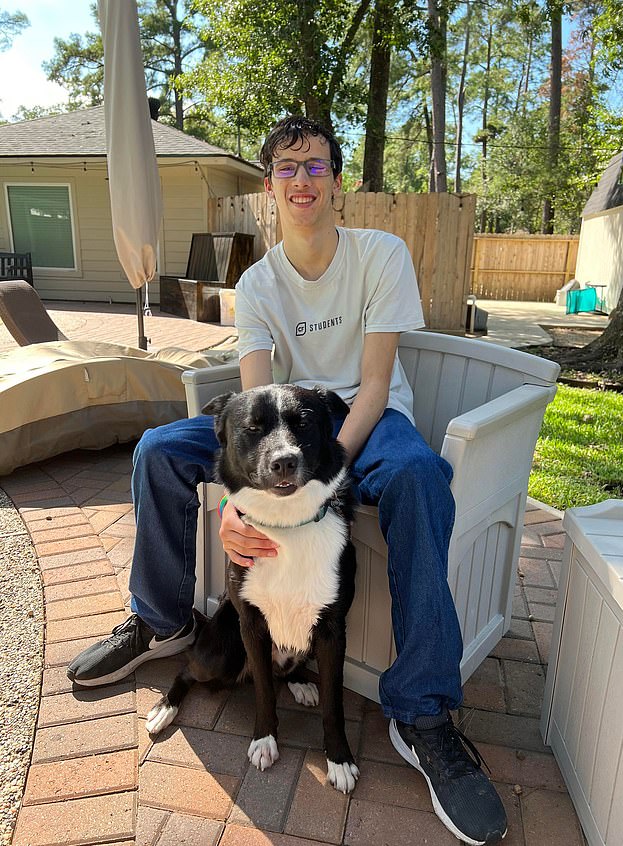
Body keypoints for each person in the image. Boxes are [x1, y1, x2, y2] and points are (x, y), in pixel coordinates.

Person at [68, 115, 507, 845]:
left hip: (360, 424)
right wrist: (240, 501)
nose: (302, 180)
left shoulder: (381, 254)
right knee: (158, 449)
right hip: (283, 428)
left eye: (316, 167)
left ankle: (423, 711)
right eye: (287, 168)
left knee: (422, 476)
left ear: (337, 180)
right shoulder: (258, 281)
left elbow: (371, 386)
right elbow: (250, 402)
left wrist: (318, 476)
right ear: (269, 184)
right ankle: (161, 617)